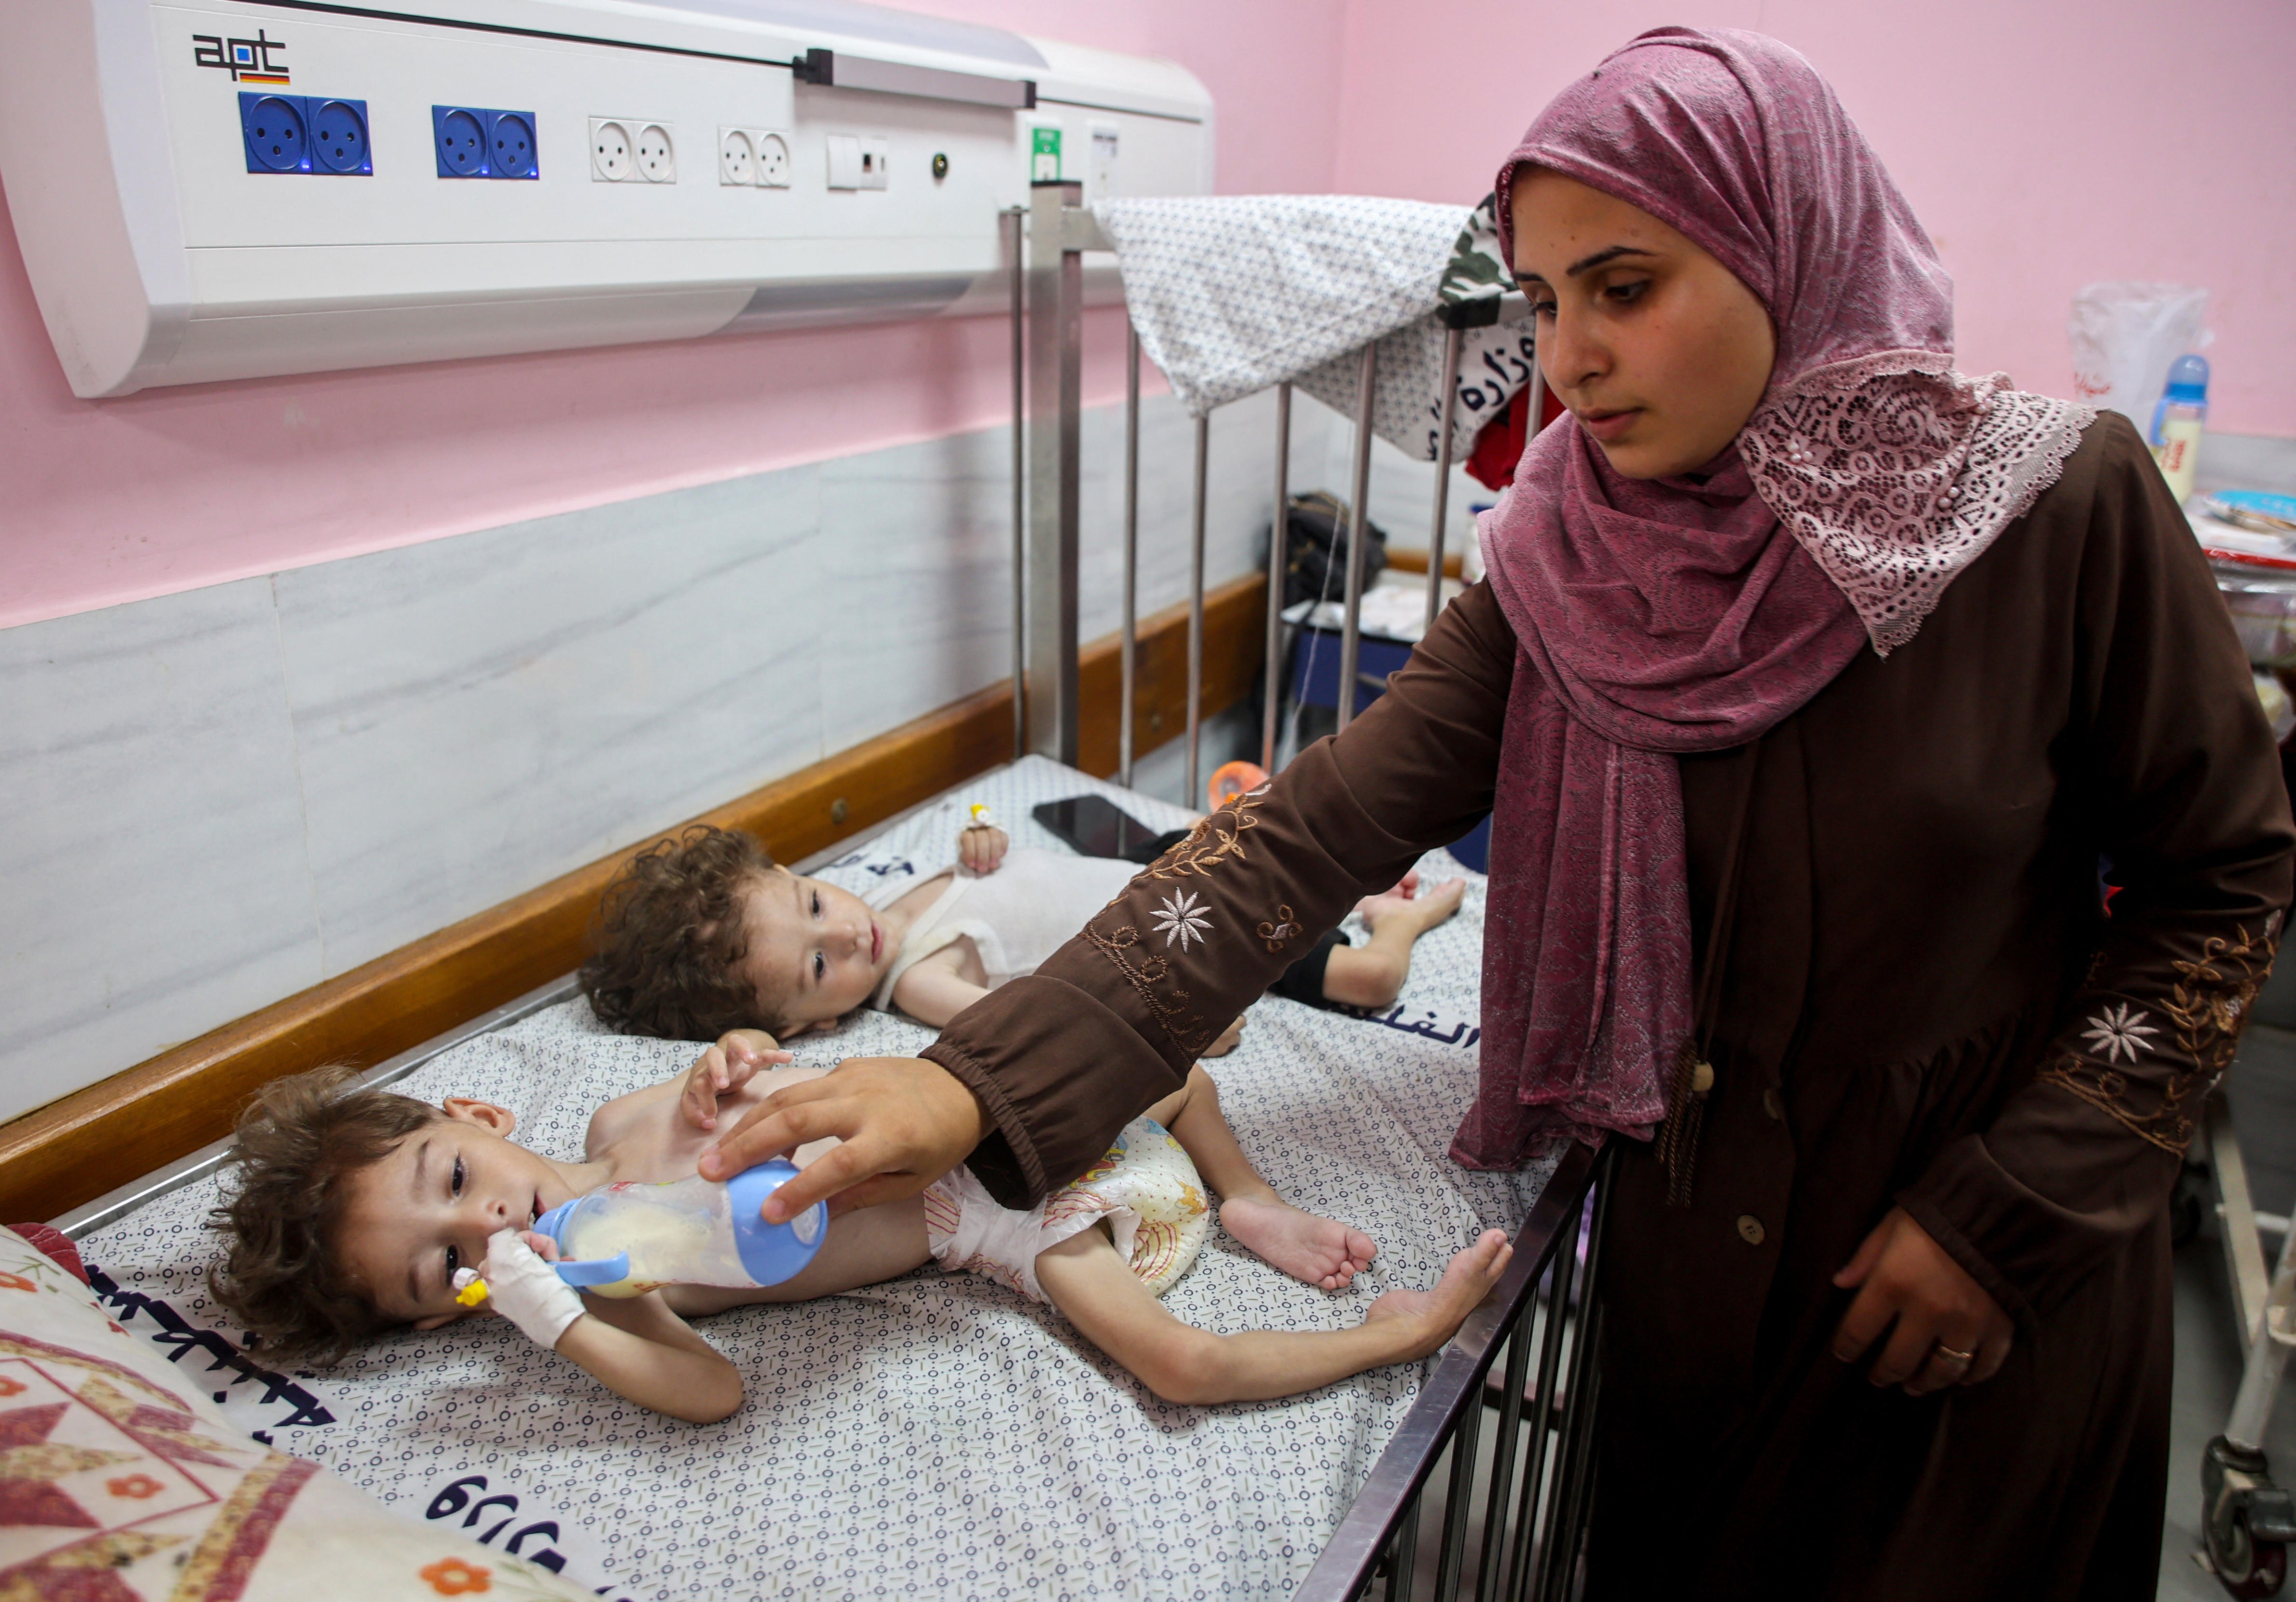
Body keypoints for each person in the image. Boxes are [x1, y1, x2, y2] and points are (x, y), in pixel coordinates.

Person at [698, 28, 2296, 1600]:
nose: (1568, 359)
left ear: (1785, 246)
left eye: (1624, 287)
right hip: (1691, 1271)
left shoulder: (2051, 510)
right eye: (1539, 302)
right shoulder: (1568, 566)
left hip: (1966, 1277)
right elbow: (1303, 835)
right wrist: (968, 1087)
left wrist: (2010, 1210)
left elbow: (2219, 884)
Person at [205, 1044, 1511, 1425]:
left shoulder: (621, 1110)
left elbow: (749, 1085)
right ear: (450, 1313)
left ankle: (1246, 1195)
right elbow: (710, 1390)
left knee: (1169, 1068)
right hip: (975, 1215)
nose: (485, 1221)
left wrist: (733, 1066)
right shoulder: (608, 1275)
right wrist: (550, 1310)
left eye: (452, 1173)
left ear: (477, 1111)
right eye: (446, 1262)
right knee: (1177, 1362)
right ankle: (1393, 1332)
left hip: (952, 1119)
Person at [577, 812, 1467, 1056]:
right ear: (809, 1027)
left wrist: (979, 846)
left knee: (1260, 832)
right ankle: (1405, 917)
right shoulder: (917, 983)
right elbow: (1046, 1012)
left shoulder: (896, 896)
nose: (848, 934)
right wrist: (1178, 1018)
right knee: (1368, 980)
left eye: (816, 903)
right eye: (818, 966)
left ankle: (1351, 887)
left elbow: (1004, 884)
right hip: (1183, 933)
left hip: (1159, 872)